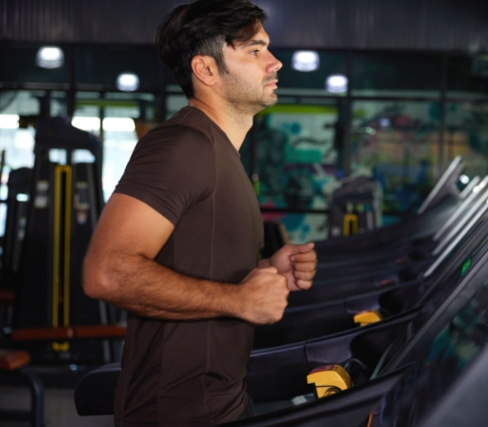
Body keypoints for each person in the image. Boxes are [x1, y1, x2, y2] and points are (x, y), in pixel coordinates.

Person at [82, 1, 317, 425]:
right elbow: (108, 273)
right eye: (255, 51)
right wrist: (242, 299)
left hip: (221, 401)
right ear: (206, 70)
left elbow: (192, 263)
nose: (275, 62)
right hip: (177, 413)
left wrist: (266, 269)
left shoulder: (220, 151)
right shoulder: (183, 145)